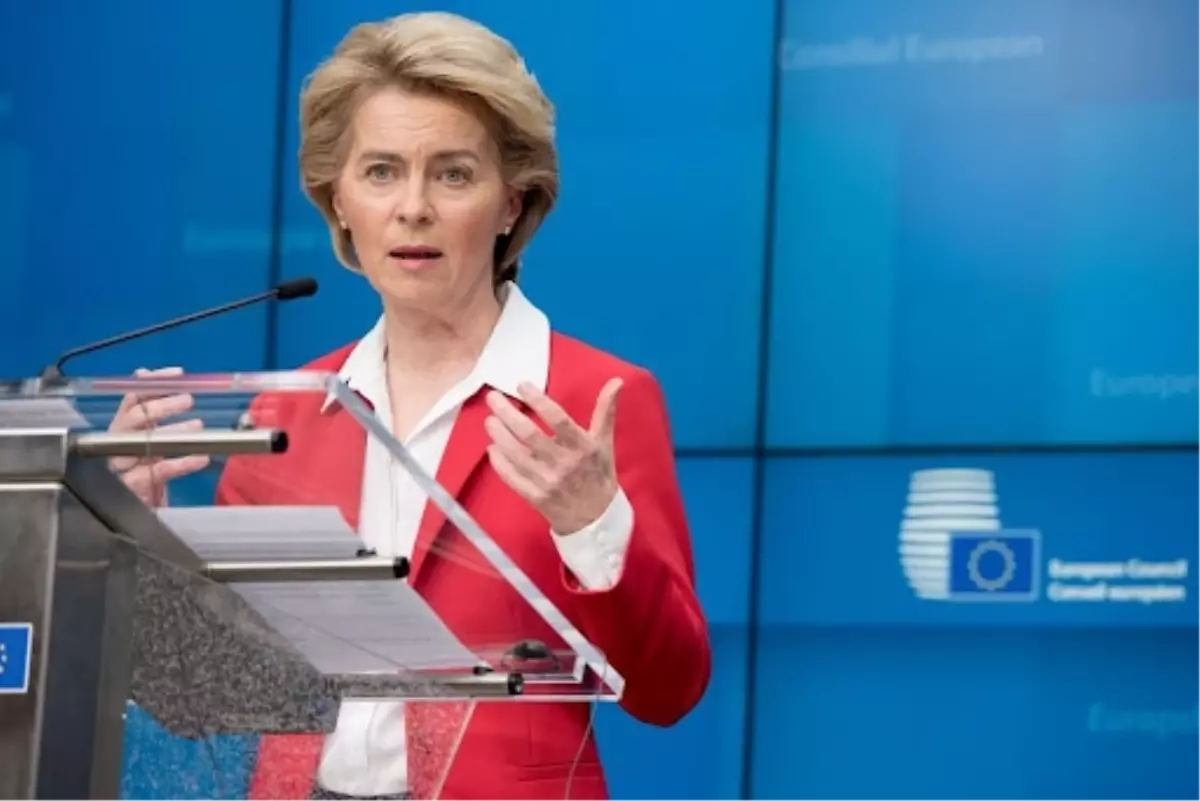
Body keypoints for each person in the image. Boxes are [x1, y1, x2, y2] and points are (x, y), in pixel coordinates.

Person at [109, 11, 710, 801]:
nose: (413, 207)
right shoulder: (288, 414)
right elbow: (203, 694)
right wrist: (130, 541)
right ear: (339, 201)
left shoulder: (590, 399)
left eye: (453, 174)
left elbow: (669, 689)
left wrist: (592, 524)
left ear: (512, 202)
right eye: (381, 171)